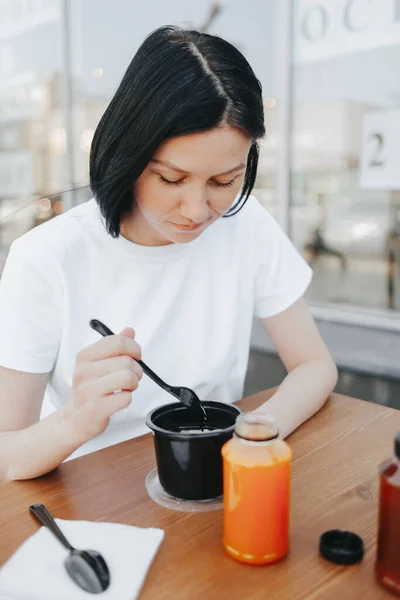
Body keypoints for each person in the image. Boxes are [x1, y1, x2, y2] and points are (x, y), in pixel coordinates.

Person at [0, 26, 337, 483]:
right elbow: (7, 455)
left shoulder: (246, 223)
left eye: (224, 181)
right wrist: (76, 418)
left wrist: (256, 434)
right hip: (88, 496)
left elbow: (315, 365)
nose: (198, 211)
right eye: (172, 179)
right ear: (130, 153)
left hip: (212, 482)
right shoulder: (46, 257)